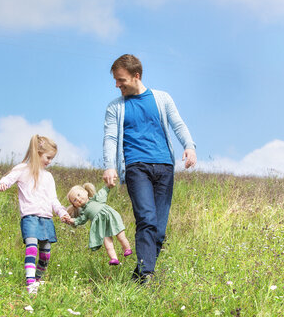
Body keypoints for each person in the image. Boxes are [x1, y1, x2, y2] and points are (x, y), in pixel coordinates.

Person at [102, 54, 197, 284]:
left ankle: (138, 276)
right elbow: (111, 137)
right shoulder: (116, 107)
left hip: (164, 166)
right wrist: (110, 167)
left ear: (136, 76)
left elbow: (177, 123)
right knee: (146, 219)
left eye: (121, 79)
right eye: (115, 80)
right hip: (136, 167)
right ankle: (147, 276)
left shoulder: (162, 98)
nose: (117, 85)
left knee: (159, 230)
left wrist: (190, 146)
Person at [0, 134, 71, 294]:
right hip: (29, 217)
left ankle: (37, 279)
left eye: (52, 158)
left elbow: (53, 199)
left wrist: (62, 212)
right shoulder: (22, 169)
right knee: (31, 247)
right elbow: (8, 179)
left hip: (46, 219)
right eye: (48, 157)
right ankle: (30, 283)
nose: (49, 161)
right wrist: (2, 183)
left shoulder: (49, 177)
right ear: (37, 153)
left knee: (46, 253)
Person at [65, 183, 132, 265]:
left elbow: (103, 192)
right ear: (75, 205)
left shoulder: (96, 199)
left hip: (111, 219)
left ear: (86, 192)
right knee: (107, 244)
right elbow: (80, 220)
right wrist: (70, 220)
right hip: (101, 226)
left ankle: (127, 248)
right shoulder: (84, 212)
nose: (78, 199)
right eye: (75, 200)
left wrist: (108, 186)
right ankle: (114, 258)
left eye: (79, 195)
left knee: (121, 237)